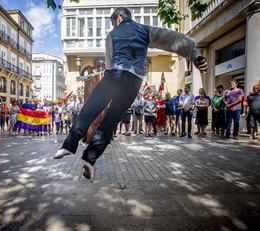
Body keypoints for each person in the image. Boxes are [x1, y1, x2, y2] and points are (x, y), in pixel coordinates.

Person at [53, 7, 208, 179]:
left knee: (90, 109)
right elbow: (171, 39)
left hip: (115, 75)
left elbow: (110, 61)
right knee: (111, 121)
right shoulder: (145, 30)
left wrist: (109, 79)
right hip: (134, 81)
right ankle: (89, 159)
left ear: (118, 18)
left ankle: (68, 145)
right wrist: (194, 55)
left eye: (112, 23)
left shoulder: (112, 35)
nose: (113, 27)